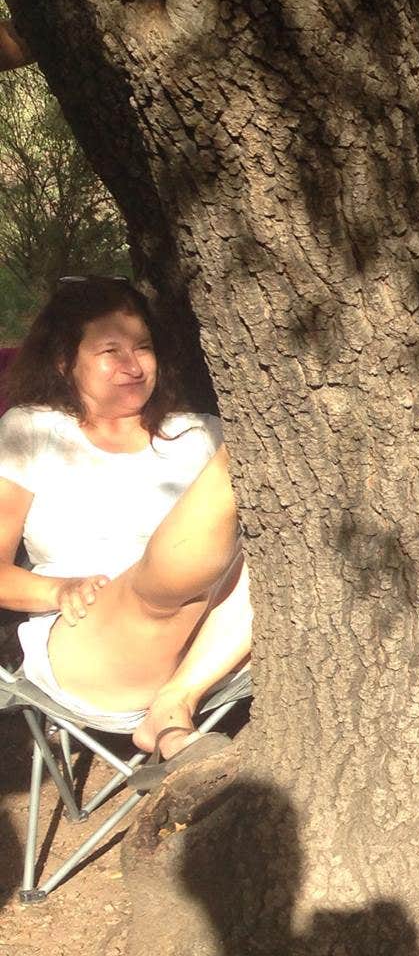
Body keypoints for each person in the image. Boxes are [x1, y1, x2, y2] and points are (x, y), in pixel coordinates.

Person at [0, 276, 250, 761]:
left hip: (215, 645)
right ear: (63, 361)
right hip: (91, 642)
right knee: (160, 588)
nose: (133, 366)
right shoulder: (30, 431)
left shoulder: (198, 434)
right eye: (110, 351)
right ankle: (265, 432)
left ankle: (174, 706)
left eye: (143, 347)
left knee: (275, 564)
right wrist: (58, 590)